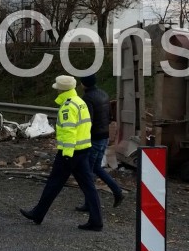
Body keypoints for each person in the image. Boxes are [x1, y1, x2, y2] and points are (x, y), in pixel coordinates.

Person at [20, 75, 103, 231]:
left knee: (53, 184)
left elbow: (69, 132)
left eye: (57, 88)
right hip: (83, 150)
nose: (56, 90)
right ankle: (96, 221)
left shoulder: (68, 106)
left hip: (70, 153)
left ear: (61, 89)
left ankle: (38, 214)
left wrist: (67, 154)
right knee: (88, 187)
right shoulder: (80, 102)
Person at [76, 74, 124, 212]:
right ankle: (116, 191)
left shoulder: (87, 98)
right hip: (104, 136)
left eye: (81, 83)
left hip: (94, 137)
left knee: (87, 171)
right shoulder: (104, 94)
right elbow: (110, 115)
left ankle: (90, 203)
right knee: (96, 167)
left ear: (84, 84)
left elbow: (87, 120)